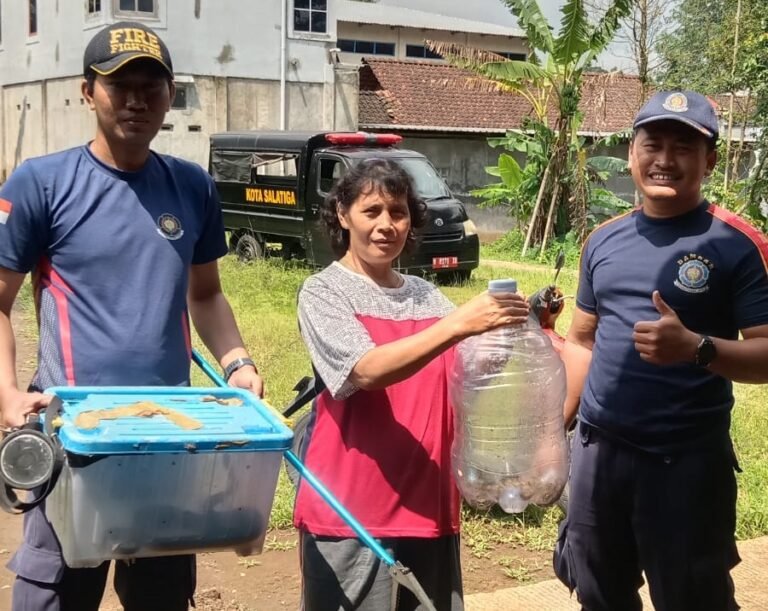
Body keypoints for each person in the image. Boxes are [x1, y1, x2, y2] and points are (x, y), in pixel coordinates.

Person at [0, 21, 263, 611]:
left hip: (167, 432)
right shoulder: (41, 183)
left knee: (160, 591)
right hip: (74, 430)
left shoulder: (192, 186)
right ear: (87, 91)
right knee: (55, 590)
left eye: (152, 86)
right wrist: (7, 394)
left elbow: (206, 295)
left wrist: (237, 362)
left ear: (170, 96)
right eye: (120, 86)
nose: (137, 100)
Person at [555, 90, 768, 611]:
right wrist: (554, 431)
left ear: (709, 160)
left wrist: (697, 348)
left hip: (686, 462)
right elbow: (582, 340)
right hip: (598, 454)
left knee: (693, 598)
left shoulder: (738, 243)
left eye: (683, 147)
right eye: (652, 144)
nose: (665, 160)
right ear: (632, 153)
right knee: (598, 593)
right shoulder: (602, 240)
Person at [293, 158, 530, 610]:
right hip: (353, 512)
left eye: (398, 212)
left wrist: (512, 330)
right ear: (343, 215)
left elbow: (467, 374)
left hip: (427, 503)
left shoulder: (426, 295)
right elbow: (366, 371)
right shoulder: (324, 292)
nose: (386, 225)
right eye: (372, 211)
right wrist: (458, 323)